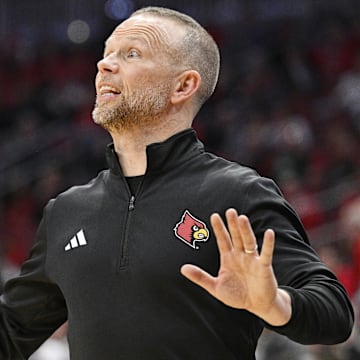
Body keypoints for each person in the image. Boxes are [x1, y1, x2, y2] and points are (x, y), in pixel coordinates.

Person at [0, 6, 354, 360]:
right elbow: (11, 333)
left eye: (132, 54)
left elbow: (334, 312)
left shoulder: (238, 193)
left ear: (183, 85)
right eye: (105, 54)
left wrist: (273, 303)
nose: (104, 66)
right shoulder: (66, 211)